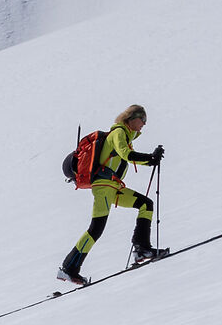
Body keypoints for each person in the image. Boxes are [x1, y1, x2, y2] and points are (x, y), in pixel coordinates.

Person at [58, 104, 167, 286]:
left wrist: (151, 160)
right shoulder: (118, 133)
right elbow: (126, 155)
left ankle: (142, 249)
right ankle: (68, 268)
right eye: (142, 119)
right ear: (132, 118)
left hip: (113, 187)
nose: (144, 124)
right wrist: (150, 158)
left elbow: (126, 156)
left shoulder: (126, 136)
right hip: (104, 187)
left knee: (145, 204)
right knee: (96, 228)